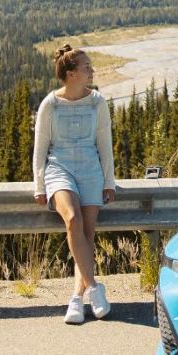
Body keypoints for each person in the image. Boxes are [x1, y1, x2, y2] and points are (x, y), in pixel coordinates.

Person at [32, 44, 117, 324]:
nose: (92, 70)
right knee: (72, 220)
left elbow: (104, 144)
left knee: (87, 235)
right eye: (86, 67)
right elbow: (41, 146)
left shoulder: (97, 102)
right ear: (70, 74)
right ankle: (95, 288)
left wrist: (109, 182)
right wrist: (40, 185)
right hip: (60, 168)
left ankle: (77, 299)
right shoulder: (51, 104)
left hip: (91, 171)